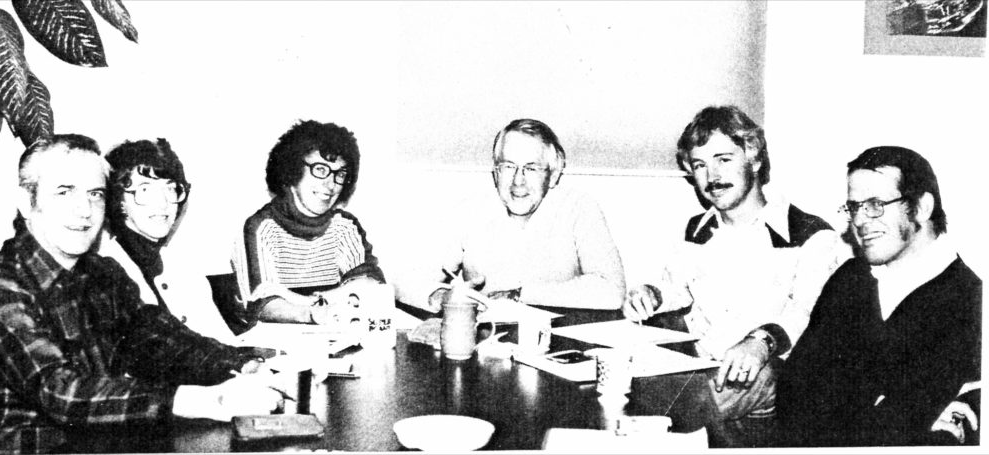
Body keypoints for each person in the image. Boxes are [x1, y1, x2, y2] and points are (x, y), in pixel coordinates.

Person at [0, 135, 285, 454]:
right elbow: (62, 393)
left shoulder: (102, 274)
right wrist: (208, 399)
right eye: (65, 192)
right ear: (26, 201)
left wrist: (247, 364)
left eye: (95, 194)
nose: (84, 210)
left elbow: (163, 341)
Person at [621, 106, 848, 447]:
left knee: (650, 414)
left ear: (754, 159)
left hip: (768, 373)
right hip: (700, 369)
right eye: (699, 165)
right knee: (621, 386)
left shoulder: (810, 234)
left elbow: (808, 313)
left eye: (723, 159)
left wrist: (760, 342)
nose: (711, 176)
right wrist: (651, 294)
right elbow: (677, 290)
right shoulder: (697, 229)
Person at [777, 146, 981, 446]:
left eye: (874, 204)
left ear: (922, 207)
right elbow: (793, 398)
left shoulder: (969, 302)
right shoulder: (850, 280)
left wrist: (854, 406)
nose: (859, 220)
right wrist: (893, 414)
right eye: (854, 207)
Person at [398, 118, 626, 324]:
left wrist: (519, 294)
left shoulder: (578, 208)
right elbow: (404, 280)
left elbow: (611, 291)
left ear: (553, 175)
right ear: (496, 172)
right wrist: (440, 296)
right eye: (508, 166)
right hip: (488, 347)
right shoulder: (469, 211)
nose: (518, 181)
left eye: (531, 168)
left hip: (558, 347)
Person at [232, 120, 389, 326]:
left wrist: (309, 300)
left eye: (340, 174)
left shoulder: (345, 226)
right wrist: (312, 313)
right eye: (320, 169)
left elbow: (369, 284)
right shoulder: (261, 227)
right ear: (292, 171)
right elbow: (263, 304)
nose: (331, 184)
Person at [96, 138, 236, 342]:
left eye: (170, 188)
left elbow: (223, 341)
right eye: (145, 189)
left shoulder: (182, 265)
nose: (162, 203)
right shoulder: (105, 270)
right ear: (118, 200)